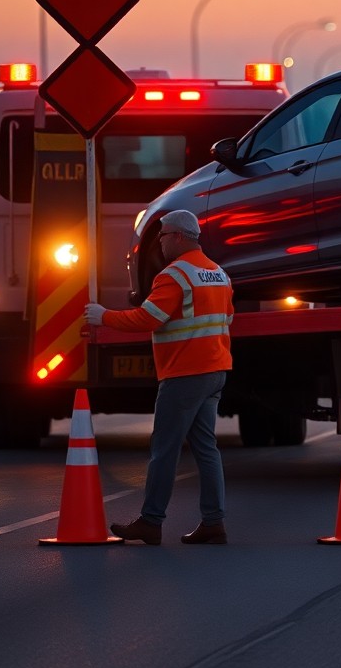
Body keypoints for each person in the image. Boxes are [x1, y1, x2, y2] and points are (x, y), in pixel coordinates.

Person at [84, 209, 233, 545]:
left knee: (164, 449)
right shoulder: (218, 273)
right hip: (214, 371)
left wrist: (103, 316)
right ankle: (213, 522)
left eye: (162, 236)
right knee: (206, 449)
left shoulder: (174, 275)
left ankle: (151, 521)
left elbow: (147, 319)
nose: (160, 243)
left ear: (178, 236)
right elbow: (227, 318)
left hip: (184, 374)